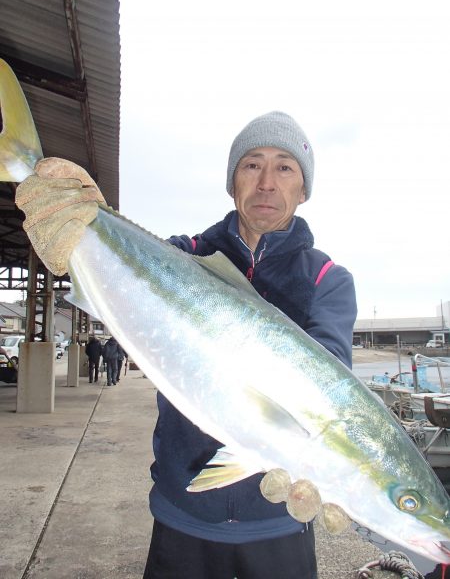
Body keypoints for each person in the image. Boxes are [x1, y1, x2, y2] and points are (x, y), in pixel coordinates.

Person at [15, 111, 357, 579]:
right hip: (182, 516)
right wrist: (78, 225)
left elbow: (331, 387)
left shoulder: (328, 280)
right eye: (252, 165)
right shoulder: (183, 255)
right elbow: (107, 274)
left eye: (285, 167)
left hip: (280, 524)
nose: (267, 183)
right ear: (232, 180)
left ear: (304, 189)